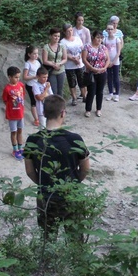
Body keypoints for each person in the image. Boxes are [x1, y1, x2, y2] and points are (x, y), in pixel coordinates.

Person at [24, 95, 90, 239]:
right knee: (75, 240)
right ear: (62, 113)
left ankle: (46, 262)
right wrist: (75, 182)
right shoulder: (74, 139)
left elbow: (29, 171)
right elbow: (85, 168)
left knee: (47, 240)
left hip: (46, 195)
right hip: (71, 194)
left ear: (45, 113)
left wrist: (43, 183)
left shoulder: (33, 140)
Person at [81, 30, 111, 117]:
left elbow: (108, 59)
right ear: (93, 37)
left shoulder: (103, 48)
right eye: (98, 37)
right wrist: (92, 68)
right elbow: (84, 59)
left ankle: (98, 109)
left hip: (102, 72)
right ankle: (88, 109)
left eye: (101, 38)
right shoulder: (87, 47)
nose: (99, 40)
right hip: (91, 72)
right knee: (91, 91)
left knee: (100, 92)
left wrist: (104, 67)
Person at [2, 66, 26, 161]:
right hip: (12, 115)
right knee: (14, 132)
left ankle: (21, 148)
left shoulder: (21, 85)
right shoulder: (7, 89)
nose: (17, 79)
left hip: (20, 113)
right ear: (10, 77)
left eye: (18, 77)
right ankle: (15, 150)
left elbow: (23, 95)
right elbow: (5, 100)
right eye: (15, 77)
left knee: (20, 131)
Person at [60, 22, 85, 106]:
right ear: (64, 32)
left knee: (82, 81)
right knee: (72, 82)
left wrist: (79, 58)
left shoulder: (77, 38)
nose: (70, 32)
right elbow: (64, 53)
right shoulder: (62, 42)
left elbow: (82, 49)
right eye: (68, 31)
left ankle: (84, 95)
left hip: (79, 63)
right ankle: (74, 98)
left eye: (71, 30)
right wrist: (73, 59)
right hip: (69, 65)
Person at [42, 27, 67, 100]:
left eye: (58, 36)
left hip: (61, 70)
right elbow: (45, 60)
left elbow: (65, 58)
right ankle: (54, 109)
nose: (57, 38)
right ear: (50, 36)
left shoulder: (62, 46)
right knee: (53, 91)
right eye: (55, 36)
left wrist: (59, 64)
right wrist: (53, 64)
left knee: (60, 90)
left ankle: (62, 108)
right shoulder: (46, 47)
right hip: (51, 71)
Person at [23, 45, 42, 126]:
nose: (36, 55)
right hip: (31, 84)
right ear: (29, 54)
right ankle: (36, 119)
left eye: (37, 53)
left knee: (40, 99)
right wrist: (34, 76)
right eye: (34, 54)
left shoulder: (38, 62)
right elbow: (25, 77)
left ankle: (41, 115)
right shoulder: (27, 64)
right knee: (33, 101)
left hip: (38, 83)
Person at [104, 23, 123, 102]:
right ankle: (110, 93)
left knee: (116, 77)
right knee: (109, 77)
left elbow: (118, 52)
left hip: (115, 61)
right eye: (108, 29)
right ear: (106, 30)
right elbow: (104, 51)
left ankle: (117, 94)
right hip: (107, 61)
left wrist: (113, 61)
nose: (110, 31)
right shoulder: (105, 40)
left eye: (111, 29)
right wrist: (107, 61)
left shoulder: (116, 39)